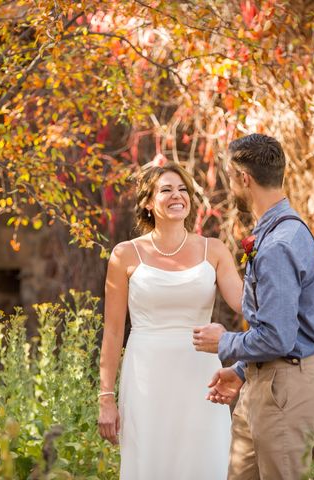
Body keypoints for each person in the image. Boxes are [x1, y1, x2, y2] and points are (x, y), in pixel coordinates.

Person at [193, 134, 314, 480]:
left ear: (244, 178)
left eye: (230, 175)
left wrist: (223, 342)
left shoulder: (279, 244)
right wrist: (241, 371)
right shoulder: (274, 233)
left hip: (286, 387)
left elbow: (278, 337)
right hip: (262, 382)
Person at [97, 162, 243, 479]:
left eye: (182, 190)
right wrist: (106, 397)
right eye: (166, 190)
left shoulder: (213, 250)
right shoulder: (125, 255)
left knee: (206, 462)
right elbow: (112, 332)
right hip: (146, 378)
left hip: (202, 377)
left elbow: (247, 304)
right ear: (149, 202)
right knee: (150, 463)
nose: (177, 196)